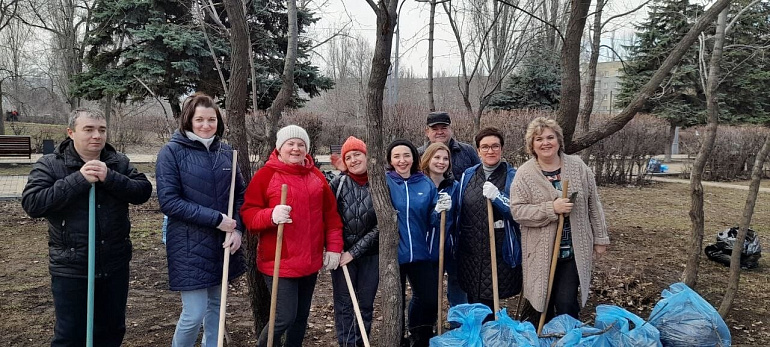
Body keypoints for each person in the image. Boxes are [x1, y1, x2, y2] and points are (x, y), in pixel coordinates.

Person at [21, 108, 152, 347]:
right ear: (71, 132)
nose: (97, 136)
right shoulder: (51, 165)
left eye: (101, 130)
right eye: (88, 129)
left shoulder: (117, 162)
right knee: (70, 336)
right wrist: (78, 180)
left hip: (114, 264)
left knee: (112, 331)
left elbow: (142, 191)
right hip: (72, 267)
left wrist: (110, 177)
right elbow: (33, 203)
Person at [155, 93, 246, 347]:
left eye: (212, 119)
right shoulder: (171, 153)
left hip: (223, 243)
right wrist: (217, 219)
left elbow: (240, 195)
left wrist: (237, 229)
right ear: (188, 120)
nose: (206, 125)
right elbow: (170, 202)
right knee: (194, 313)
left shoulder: (226, 153)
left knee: (216, 308)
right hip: (188, 245)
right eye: (200, 120)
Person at [241, 125, 344, 347]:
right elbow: (249, 216)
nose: (296, 148)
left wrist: (334, 247)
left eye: (301, 144)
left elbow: (331, 216)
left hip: (310, 260)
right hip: (279, 260)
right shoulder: (266, 175)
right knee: (284, 316)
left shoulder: (316, 175)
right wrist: (270, 215)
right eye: (291, 143)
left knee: (300, 319)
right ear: (280, 147)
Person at [510, 117, 610, 323]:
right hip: (540, 252)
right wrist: (550, 208)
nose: (545, 143)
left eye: (550, 137)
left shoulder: (578, 166)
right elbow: (518, 211)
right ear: (532, 145)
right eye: (539, 139)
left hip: (573, 250)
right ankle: (545, 339)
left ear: (559, 140)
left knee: (566, 302)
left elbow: (594, 204)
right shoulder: (525, 174)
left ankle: (568, 337)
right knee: (541, 302)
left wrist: (600, 238)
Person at [386, 139, 450, 347]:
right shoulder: (385, 182)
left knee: (430, 299)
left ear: (414, 157)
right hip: (393, 255)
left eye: (406, 155)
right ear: (390, 160)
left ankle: (420, 337)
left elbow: (432, 221)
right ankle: (398, 340)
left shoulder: (424, 183)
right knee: (396, 302)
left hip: (419, 253)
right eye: (396, 156)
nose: (402, 160)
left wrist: (439, 210)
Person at [455, 127, 522, 321]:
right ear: (477, 151)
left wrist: (498, 198)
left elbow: (519, 212)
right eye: (484, 147)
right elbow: (461, 208)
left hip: (499, 250)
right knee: (474, 297)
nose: (490, 151)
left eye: (495, 146)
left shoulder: (512, 176)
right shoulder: (468, 175)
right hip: (471, 250)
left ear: (501, 149)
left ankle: (491, 334)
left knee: (491, 299)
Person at [328, 136, 379, 347]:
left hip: (370, 256)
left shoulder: (380, 183)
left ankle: (362, 340)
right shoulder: (337, 184)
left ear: (367, 156)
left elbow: (382, 225)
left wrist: (354, 252)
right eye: (348, 157)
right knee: (344, 306)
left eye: (357, 154)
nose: (353, 160)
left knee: (365, 304)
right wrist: (336, 248)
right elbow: (329, 218)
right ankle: (348, 343)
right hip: (341, 256)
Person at [418, 142, 466, 310]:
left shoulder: (454, 186)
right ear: (427, 159)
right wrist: (436, 211)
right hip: (427, 249)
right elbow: (417, 218)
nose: (441, 162)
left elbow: (461, 215)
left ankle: (458, 327)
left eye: (445, 158)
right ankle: (422, 329)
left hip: (450, 247)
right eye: (436, 157)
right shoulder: (419, 185)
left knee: (458, 289)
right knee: (427, 292)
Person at [417, 111, 480, 181]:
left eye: (444, 128)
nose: (440, 132)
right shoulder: (418, 154)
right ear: (427, 132)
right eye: (435, 129)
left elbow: (480, 177)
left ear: (450, 129)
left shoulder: (468, 151)